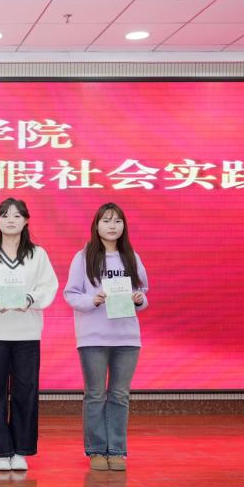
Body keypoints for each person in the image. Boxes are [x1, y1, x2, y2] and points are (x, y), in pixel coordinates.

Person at [0, 197, 58, 472]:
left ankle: (20, 450)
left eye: (17, 216)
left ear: (26, 220)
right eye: (5, 215)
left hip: (27, 333)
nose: (10, 220)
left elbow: (48, 286)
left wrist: (29, 299)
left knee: (25, 392)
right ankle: (0, 450)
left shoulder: (37, 254)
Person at [62, 202, 148, 472]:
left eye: (118, 221)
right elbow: (71, 294)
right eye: (107, 221)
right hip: (93, 338)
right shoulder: (83, 257)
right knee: (96, 394)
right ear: (96, 225)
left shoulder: (131, 257)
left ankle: (118, 451)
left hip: (127, 338)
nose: (113, 226)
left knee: (120, 394)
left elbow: (143, 293)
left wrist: (138, 299)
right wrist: (93, 299)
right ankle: (97, 450)